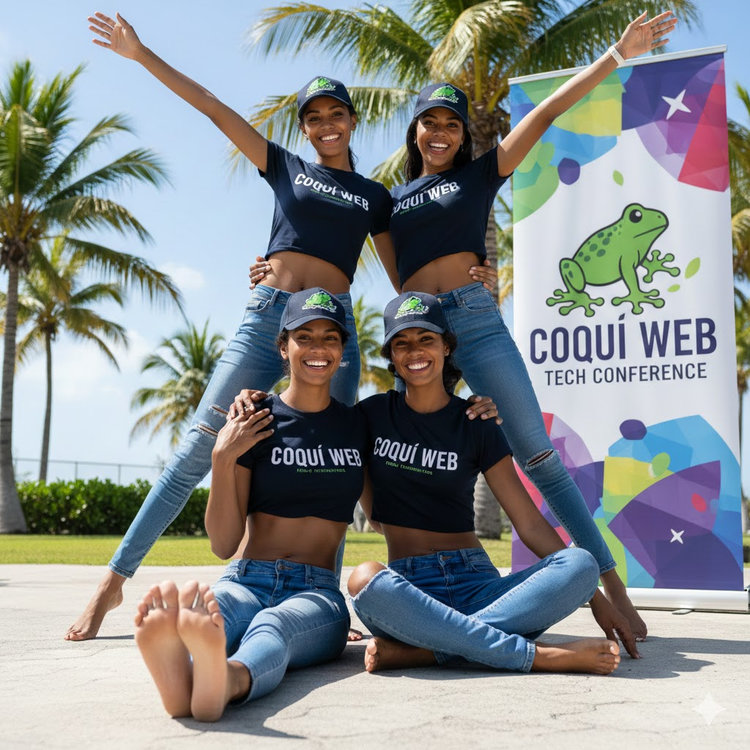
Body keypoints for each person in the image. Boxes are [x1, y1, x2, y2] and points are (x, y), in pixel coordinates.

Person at [252, 11, 677, 642]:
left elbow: (545, 114)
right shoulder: (388, 201)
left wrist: (616, 54)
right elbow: (344, 245)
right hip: (420, 334)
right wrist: (270, 261)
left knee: (538, 456)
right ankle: (331, 599)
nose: (441, 132)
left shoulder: (481, 175)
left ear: (462, 135)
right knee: (346, 442)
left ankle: (613, 593)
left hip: (473, 321)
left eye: (452, 124)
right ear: (415, 131)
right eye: (431, 122)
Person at [348, 291, 625, 675]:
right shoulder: (371, 416)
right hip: (411, 592)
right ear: (391, 355)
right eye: (402, 343)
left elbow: (528, 523)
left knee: (580, 564)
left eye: (426, 339)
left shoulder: (477, 422)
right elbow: (375, 517)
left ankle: (430, 651)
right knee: (365, 579)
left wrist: (596, 598)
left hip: (479, 584)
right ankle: (537, 655)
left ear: (446, 346)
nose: (415, 351)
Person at [133, 289, 366, 720]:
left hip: (316, 591)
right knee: (216, 613)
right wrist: (222, 458)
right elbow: (224, 545)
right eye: (304, 337)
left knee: (274, 626)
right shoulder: (254, 419)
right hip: (245, 578)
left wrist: (475, 411)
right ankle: (184, 673)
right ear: (283, 347)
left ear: (342, 350)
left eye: (330, 338)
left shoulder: (360, 425)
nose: (318, 348)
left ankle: (226, 681)